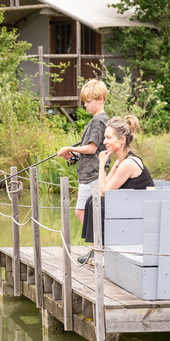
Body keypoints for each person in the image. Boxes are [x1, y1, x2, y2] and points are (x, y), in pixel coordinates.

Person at [80, 115, 154, 262]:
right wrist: (103, 165)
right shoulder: (120, 161)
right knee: (92, 200)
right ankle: (97, 249)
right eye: (105, 138)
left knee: (97, 202)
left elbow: (103, 191)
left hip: (140, 210)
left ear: (122, 140)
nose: (104, 142)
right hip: (129, 205)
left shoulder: (129, 163)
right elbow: (104, 187)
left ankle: (100, 251)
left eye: (108, 138)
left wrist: (101, 165)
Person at [57, 79, 109, 224]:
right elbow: (94, 149)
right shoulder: (96, 120)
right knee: (85, 212)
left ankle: (98, 244)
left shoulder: (99, 121)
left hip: (93, 175)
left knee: (82, 212)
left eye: (88, 101)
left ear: (100, 99)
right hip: (89, 175)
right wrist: (76, 155)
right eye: (84, 101)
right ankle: (97, 244)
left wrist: (69, 148)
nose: (85, 105)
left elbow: (92, 149)